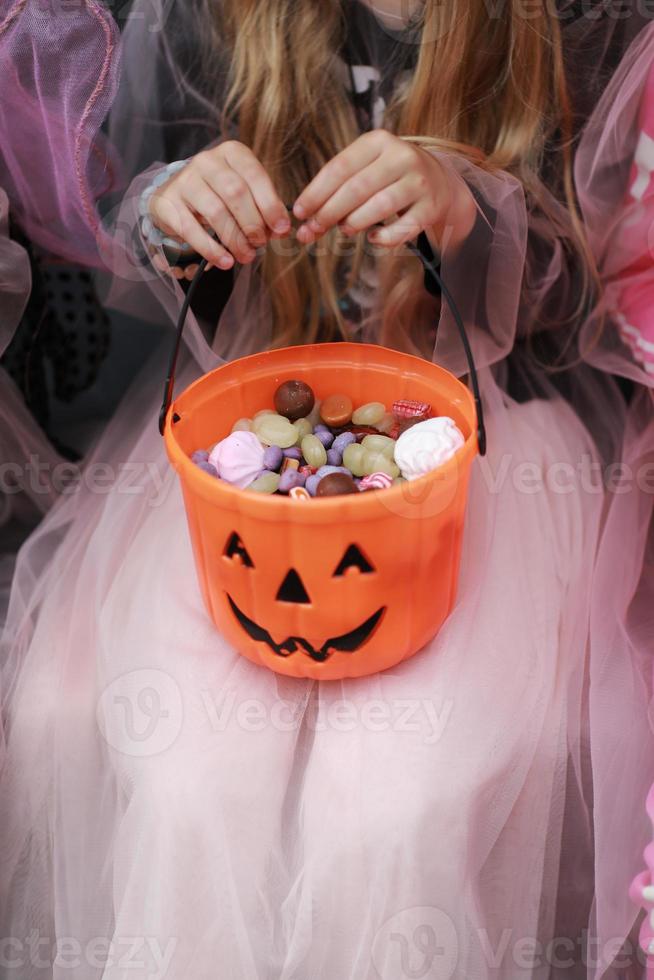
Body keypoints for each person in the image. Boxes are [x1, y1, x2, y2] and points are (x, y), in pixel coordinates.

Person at [0, 1, 653, 977]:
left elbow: (590, 302)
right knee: (187, 779)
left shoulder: (576, 22)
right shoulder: (211, 20)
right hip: (257, 434)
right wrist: (167, 204)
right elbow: (105, 198)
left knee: (389, 802)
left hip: (485, 447)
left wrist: (477, 216)